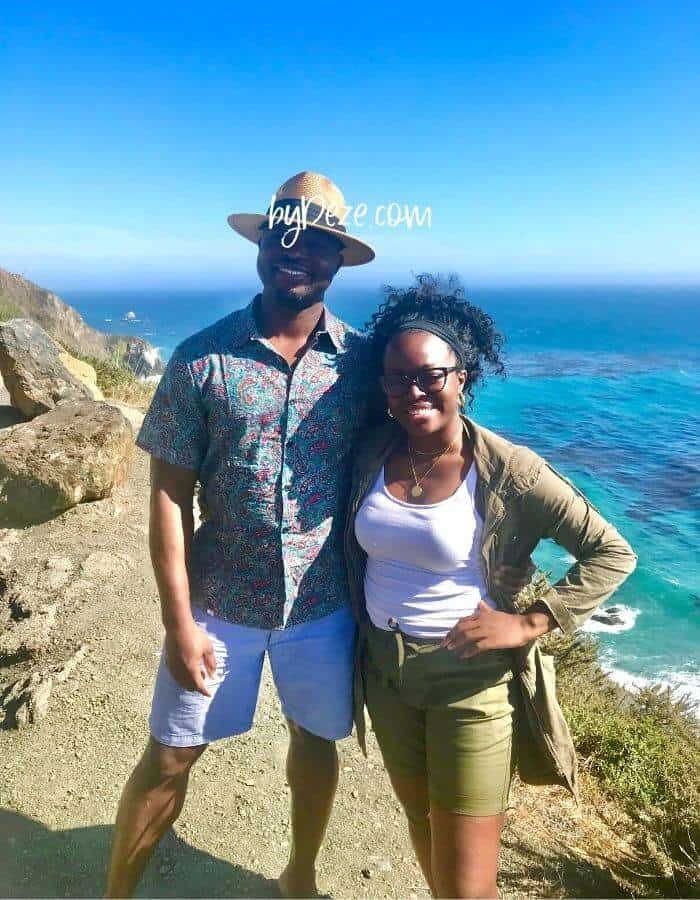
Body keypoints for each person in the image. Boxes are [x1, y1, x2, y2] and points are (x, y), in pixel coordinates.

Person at [105, 171, 378, 899]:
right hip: (219, 602)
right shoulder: (202, 358)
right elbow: (167, 497)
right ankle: (116, 894)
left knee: (315, 743)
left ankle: (300, 876)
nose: (299, 252)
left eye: (317, 241)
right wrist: (176, 624)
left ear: (334, 261)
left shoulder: (362, 365)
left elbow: (425, 437)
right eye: (285, 235)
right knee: (169, 757)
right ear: (263, 245)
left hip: (322, 607)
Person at [344, 274, 637, 899]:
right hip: (385, 675)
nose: (414, 390)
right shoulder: (371, 451)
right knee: (421, 829)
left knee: (471, 884)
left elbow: (613, 553)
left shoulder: (511, 471)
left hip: (469, 682)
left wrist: (530, 620)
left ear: (463, 379)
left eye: (432, 375)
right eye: (398, 377)